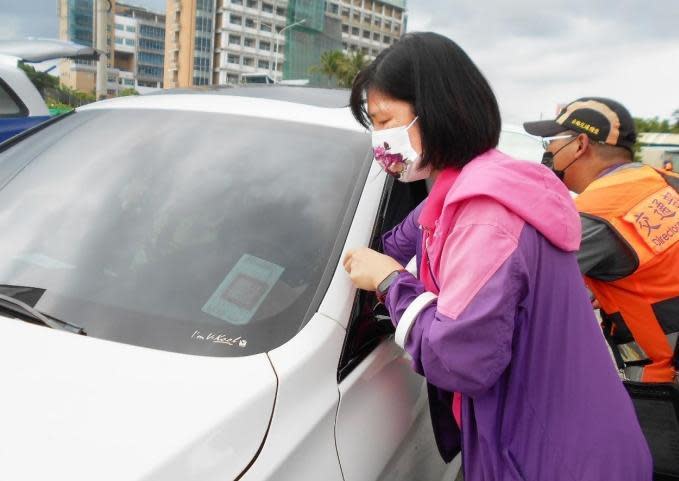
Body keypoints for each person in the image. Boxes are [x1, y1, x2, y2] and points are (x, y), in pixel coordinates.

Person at [343, 33, 651, 480]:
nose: (380, 139)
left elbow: (460, 359)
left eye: (385, 120)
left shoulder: (486, 214)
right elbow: (401, 239)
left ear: (437, 108)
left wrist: (391, 283)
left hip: (554, 460)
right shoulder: (471, 186)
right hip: (564, 437)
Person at [524, 98, 679, 383]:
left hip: (663, 380)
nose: (547, 151)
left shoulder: (593, 214)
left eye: (550, 141)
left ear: (580, 144)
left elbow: (522, 285)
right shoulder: (664, 181)